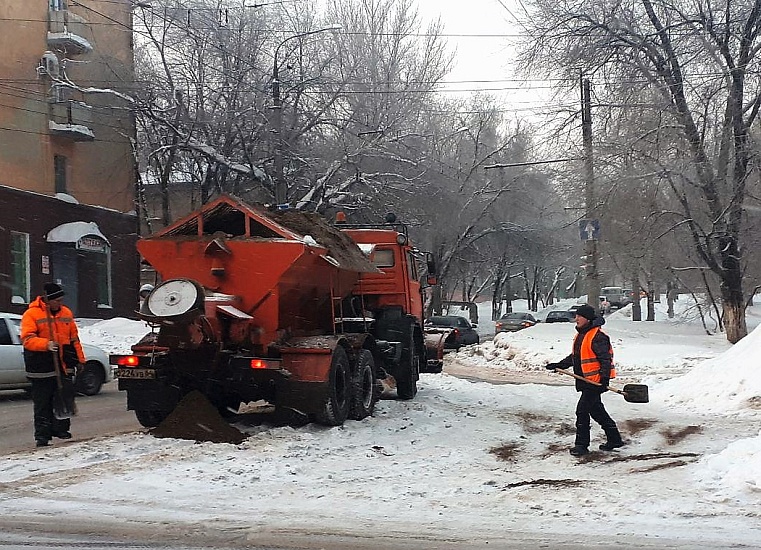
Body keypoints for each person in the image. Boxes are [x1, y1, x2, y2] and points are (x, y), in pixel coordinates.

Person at [545, 304, 624, 456]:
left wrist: (604, 379)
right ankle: (614, 439)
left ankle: (581, 445)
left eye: (579, 316)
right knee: (597, 411)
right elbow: (576, 357)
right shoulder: (582, 334)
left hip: (595, 382)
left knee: (582, 411)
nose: (576, 319)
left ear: (587, 318)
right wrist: (560, 365)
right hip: (585, 381)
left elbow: (605, 360)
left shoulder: (598, 336)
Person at [20, 283, 85, 447]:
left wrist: (80, 359)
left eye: (61, 300)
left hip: (62, 364)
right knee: (43, 403)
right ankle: (42, 435)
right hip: (41, 366)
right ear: (47, 300)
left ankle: (61, 429)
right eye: (57, 300)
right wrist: (45, 345)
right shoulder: (32, 314)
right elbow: (27, 339)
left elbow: (74, 339)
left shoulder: (66, 313)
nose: (60, 303)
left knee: (63, 397)